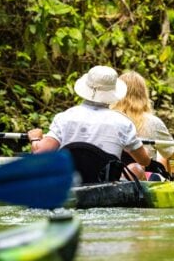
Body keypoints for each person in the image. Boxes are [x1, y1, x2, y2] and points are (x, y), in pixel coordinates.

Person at [26, 65, 163, 183]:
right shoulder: (123, 123)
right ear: (113, 92)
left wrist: (35, 138)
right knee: (136, 169)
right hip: (106, 186)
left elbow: (40, 153)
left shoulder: (65, 117)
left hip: (70, 183)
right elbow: (144, 161)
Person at [112, 71, 174, 177]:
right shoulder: (153, 122)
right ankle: (170, 181)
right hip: (142, 176)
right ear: (144, 94)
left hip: (112, 172)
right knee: (162, 155)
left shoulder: (108, 118)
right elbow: (169, 153)